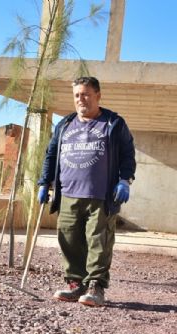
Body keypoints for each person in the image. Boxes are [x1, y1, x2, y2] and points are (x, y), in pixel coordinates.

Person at [38, 76, 136, 307]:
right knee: (68, 239)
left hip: (100, 195)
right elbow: (51, 155)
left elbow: (127, 154)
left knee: (98, 242)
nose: (80, 99)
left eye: (85, 94)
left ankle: (96, 287)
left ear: (98, 95)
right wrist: (44, 182)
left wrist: (124, 180)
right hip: (68, 193)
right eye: (76, 95)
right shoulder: (64, 125)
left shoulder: (114, 123)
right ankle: (76, 284)